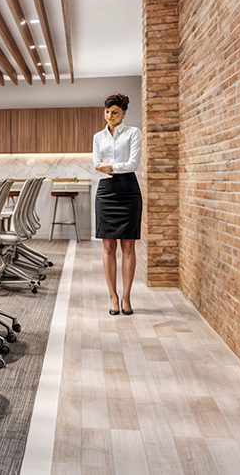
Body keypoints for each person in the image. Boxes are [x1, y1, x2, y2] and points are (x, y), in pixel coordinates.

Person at [93, 93, 142, 316]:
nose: (110, 116)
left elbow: (133, 164)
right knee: (108, 246)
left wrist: (111, 167)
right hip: (106, 191)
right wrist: (109, 167)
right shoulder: (98, 137)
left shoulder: (133, 133)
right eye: (107, 111)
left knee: (129, 246)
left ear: (123, 113)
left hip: (128, 190)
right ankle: (112, 296)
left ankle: (126, 297)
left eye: (115, 112)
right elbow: (96, 163)